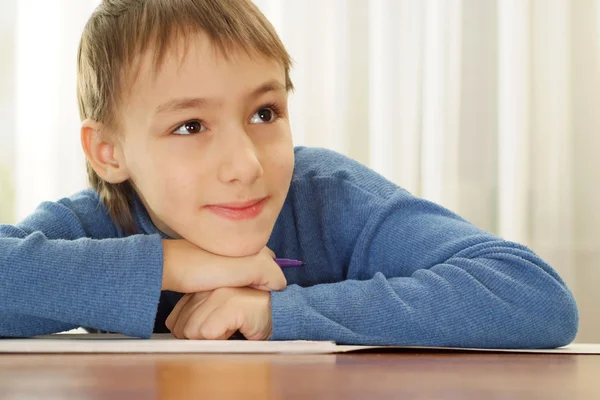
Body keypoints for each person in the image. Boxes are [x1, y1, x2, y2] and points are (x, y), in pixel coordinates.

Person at [0, 0, 578, 348]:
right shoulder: (97, 222)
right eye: (190, 126)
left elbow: (534, 296)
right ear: (108, 153)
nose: (247, 166)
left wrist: (279, 315)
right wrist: (171, 265)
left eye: (264, 114)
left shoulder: (329, 198)